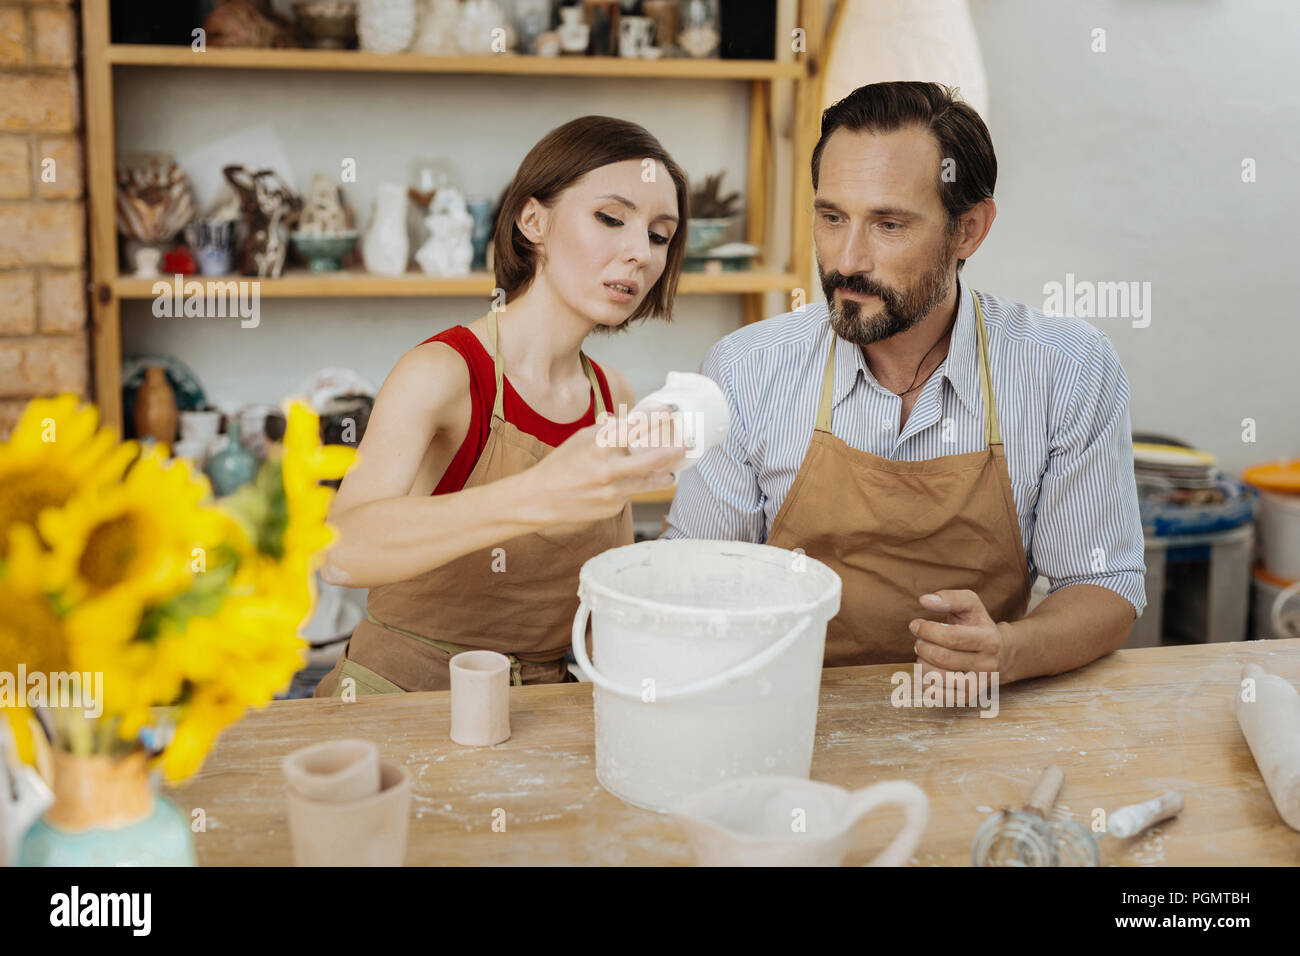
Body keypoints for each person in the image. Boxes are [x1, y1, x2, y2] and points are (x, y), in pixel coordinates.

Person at [664, 82, 1146, 684]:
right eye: (832, 217)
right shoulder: (745, 369)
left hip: (978, 719)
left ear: (968, 229)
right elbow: (691, 580)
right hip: (787, 712)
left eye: (888, 224)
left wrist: (1010, 650)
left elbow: (1102, 584)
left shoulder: (1068, 368)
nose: (847, 259)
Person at [314, 116, 688, 696]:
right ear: (532, 220)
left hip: (544, 706)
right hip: (400, 699)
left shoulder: (614, 395)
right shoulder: (444, 372)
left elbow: (604, 599)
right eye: (611, 219)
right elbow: (340, 553)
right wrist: (538, 494)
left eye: (660, 235)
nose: (639, 252)